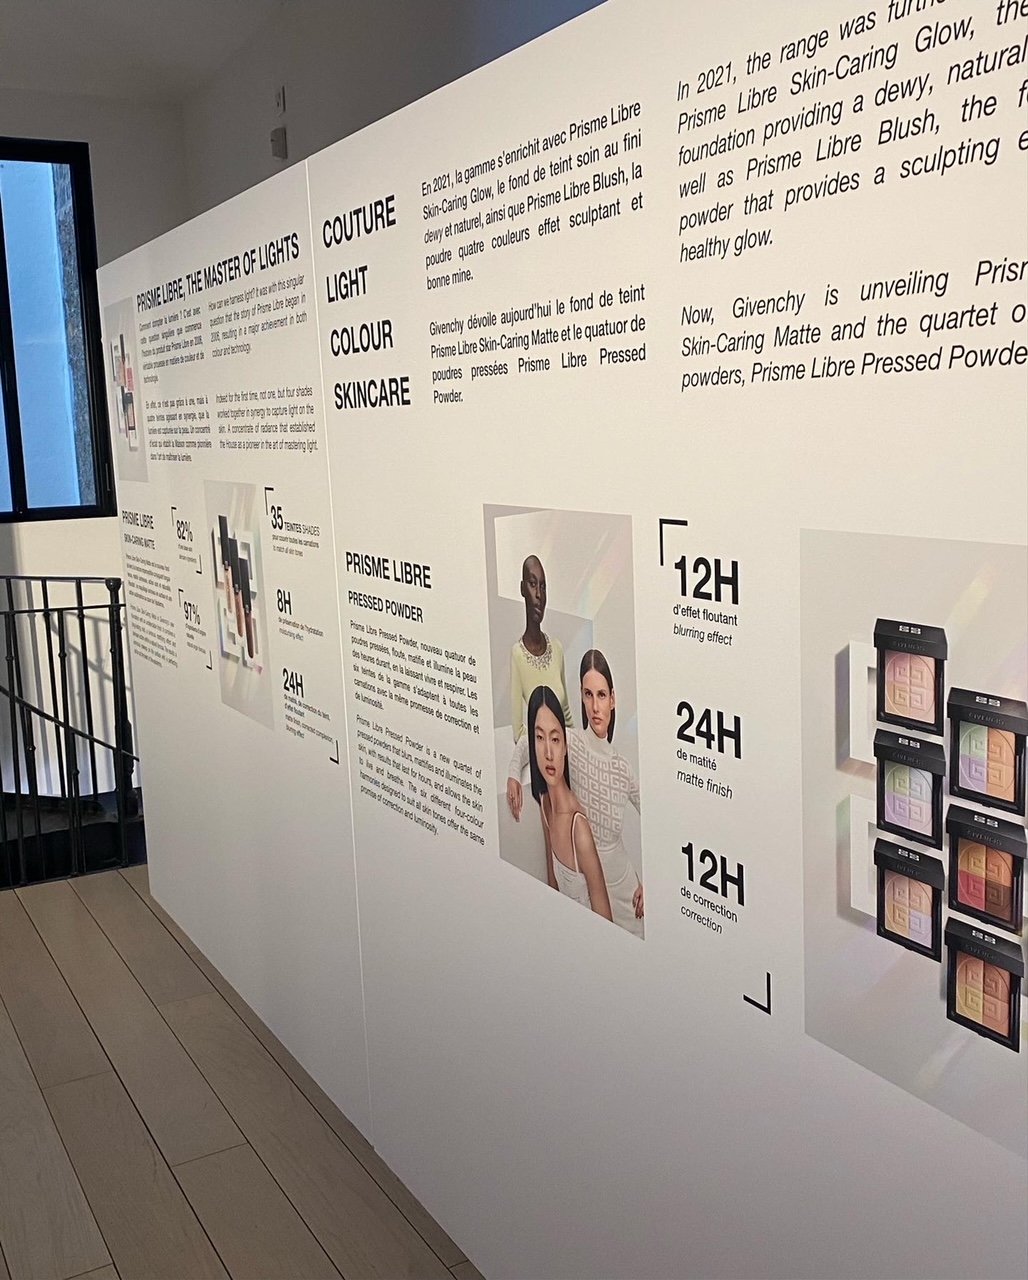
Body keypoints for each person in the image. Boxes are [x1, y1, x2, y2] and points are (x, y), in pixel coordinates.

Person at [508, 649, 643, 937]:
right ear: (581, 697)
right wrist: (512, 774)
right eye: (588, 694)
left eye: (602, 695)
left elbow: (661, 826)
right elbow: (530, 740)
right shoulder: (570, 741)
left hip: (626, 894)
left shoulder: (623, 769)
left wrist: (655, 882)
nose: (595, 706)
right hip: (589, 891)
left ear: (613, 699)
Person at [527, 684, 612, 921]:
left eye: (555, 739)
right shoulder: (545, 804)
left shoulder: (578, 828)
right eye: (540, 738)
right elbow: (552, 887)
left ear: (565, 745)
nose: (548, 753)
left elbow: (605, 920)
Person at [509, 555, 573, 744]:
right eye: (532, 584)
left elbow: (567, 716)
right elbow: (518, 733)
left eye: (543, 587)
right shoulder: (518, 655)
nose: (539, 594)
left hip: (565, 756)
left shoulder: (557, 648)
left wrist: (574, 750)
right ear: (523, 589)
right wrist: (546, 749)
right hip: (539, 759)